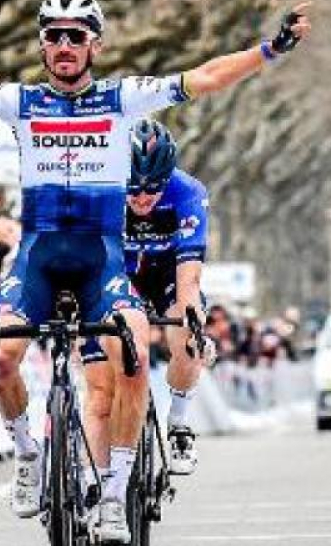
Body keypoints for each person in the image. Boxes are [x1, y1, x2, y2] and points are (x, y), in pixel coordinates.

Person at [0, 0, 312, 543]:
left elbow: (204, 77)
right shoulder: (20, 104)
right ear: (42, 44)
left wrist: (270, 49)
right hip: (37, 256)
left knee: (130, 357)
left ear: (94, 45)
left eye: (75, 36)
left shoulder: (122, 99)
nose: (63, 45)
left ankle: (114, 496)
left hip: (100, 258)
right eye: (53, 35)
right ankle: (28, 456)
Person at [80, 119, 209, 483]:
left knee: (186, 336)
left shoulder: (188, 193)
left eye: (152, 189)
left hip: (167, 276)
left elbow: (189, 278)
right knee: (101, 395)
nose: (141, 198)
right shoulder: (96, 193)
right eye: (132, 189)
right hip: (115, 279)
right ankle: (99, 483)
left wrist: (190, 319)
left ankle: (179, 422)